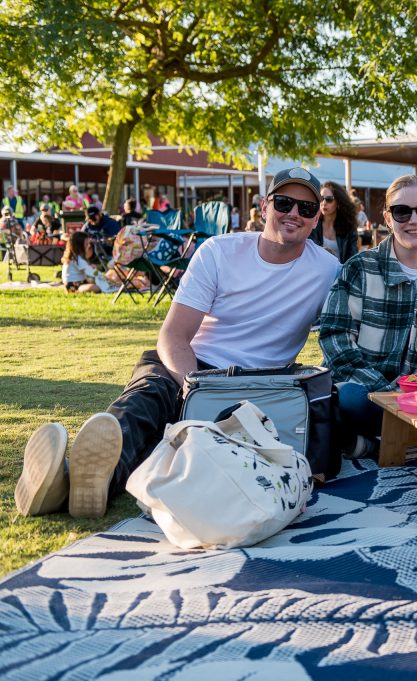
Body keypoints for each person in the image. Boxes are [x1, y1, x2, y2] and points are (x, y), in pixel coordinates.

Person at [14, 167, 340, 519]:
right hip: (189, 366)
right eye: (284, 203)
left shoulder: (328, 270)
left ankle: (64, 485)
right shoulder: (218, 252)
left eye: (306, 208)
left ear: (316, 218)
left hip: (261, 384)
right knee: (146, 402)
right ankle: (80, 480)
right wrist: (195, 389)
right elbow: (173, 336)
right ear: (264, 207)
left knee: (179, 448)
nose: (294, 213)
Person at [319, 174, 417, 448]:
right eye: (401, 212)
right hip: (362, 392)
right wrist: (388, 394)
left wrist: (408, 393)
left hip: (414, 394)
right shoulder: (359, 267)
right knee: (348, 397)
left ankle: (373, 442)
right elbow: (335, 341)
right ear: (387, 218)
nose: (414, 220)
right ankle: (398, 438)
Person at [309, 180, 359, 263]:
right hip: (317, 272)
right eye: (321, 198)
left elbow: (353, 259)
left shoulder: (348, 228)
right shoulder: (312, 225)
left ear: (339, 202)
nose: (324, 203)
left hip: (341, 273)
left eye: (329, 199)